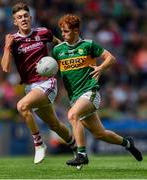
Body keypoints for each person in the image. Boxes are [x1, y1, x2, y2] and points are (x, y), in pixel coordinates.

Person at [52, 14, 143, 166]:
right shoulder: (58, 50)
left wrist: (100, 68)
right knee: (100, 134)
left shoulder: (88, 45)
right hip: (74, 98)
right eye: (61, 31)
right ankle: (128, 143)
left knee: (72, 115)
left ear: (76, 30)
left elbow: (111, 58)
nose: (63, 34)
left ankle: (81, 154)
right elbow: (53, 69)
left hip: (90, 92)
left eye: (66, 31)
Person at [1, 3, 77, 164]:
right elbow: (5, 68)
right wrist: (7, 47)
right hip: (30, 88)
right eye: (19, 17)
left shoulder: (43, 32)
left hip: (47, 83)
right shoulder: (13, 41)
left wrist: (61, 63)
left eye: (25, 16)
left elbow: (58, 44)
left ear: (31, 17)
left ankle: (39, 144)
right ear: (15, 21)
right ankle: (78, 150)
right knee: (54, 125)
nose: (23, 19)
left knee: (22, 106)